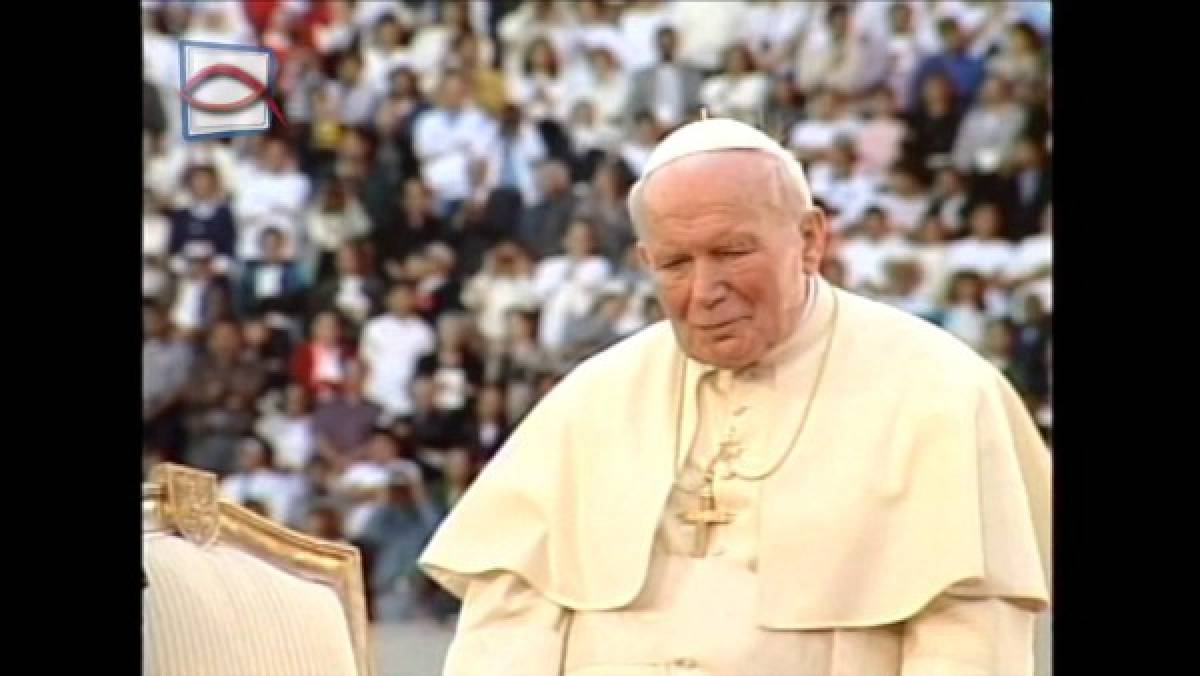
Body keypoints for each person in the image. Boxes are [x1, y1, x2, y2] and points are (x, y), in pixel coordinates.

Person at [420, 118, 1049, 674]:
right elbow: (510, 622)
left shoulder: (939, 389)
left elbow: (970, 639)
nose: (704, 290)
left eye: (731, 251)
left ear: (809, 240)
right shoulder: (594, 399)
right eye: (675, 263)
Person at [359, 283, 437, 419]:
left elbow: (426, 369)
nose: (402, 301)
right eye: (397, 297)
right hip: (375, 396)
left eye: (406, 297)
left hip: (409, 402)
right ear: (389, 300)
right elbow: (365, 362)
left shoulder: (424, 331)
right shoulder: (374, 328)